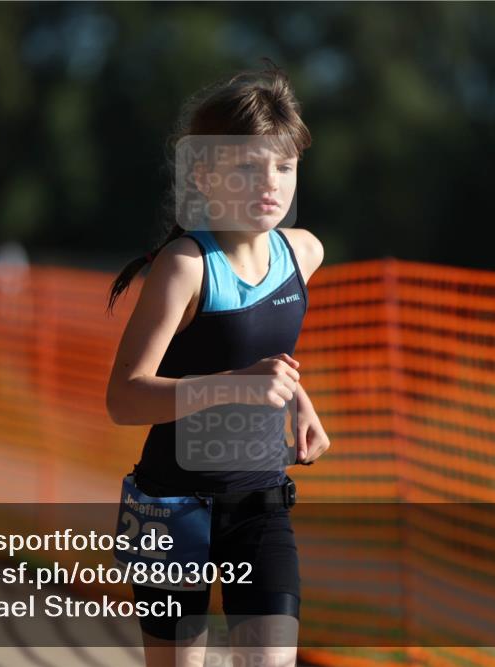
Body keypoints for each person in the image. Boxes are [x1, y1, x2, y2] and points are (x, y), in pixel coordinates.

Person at [105, 58, 330, 667]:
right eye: (249, 166)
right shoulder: (185, 267)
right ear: (203, 175)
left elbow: (263, 351)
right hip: (171, 507)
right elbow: (124, 398)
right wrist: (234, 386)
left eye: (283, 166)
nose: (271, 183)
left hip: (260, 504)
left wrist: (297, 398)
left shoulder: (302, 253)